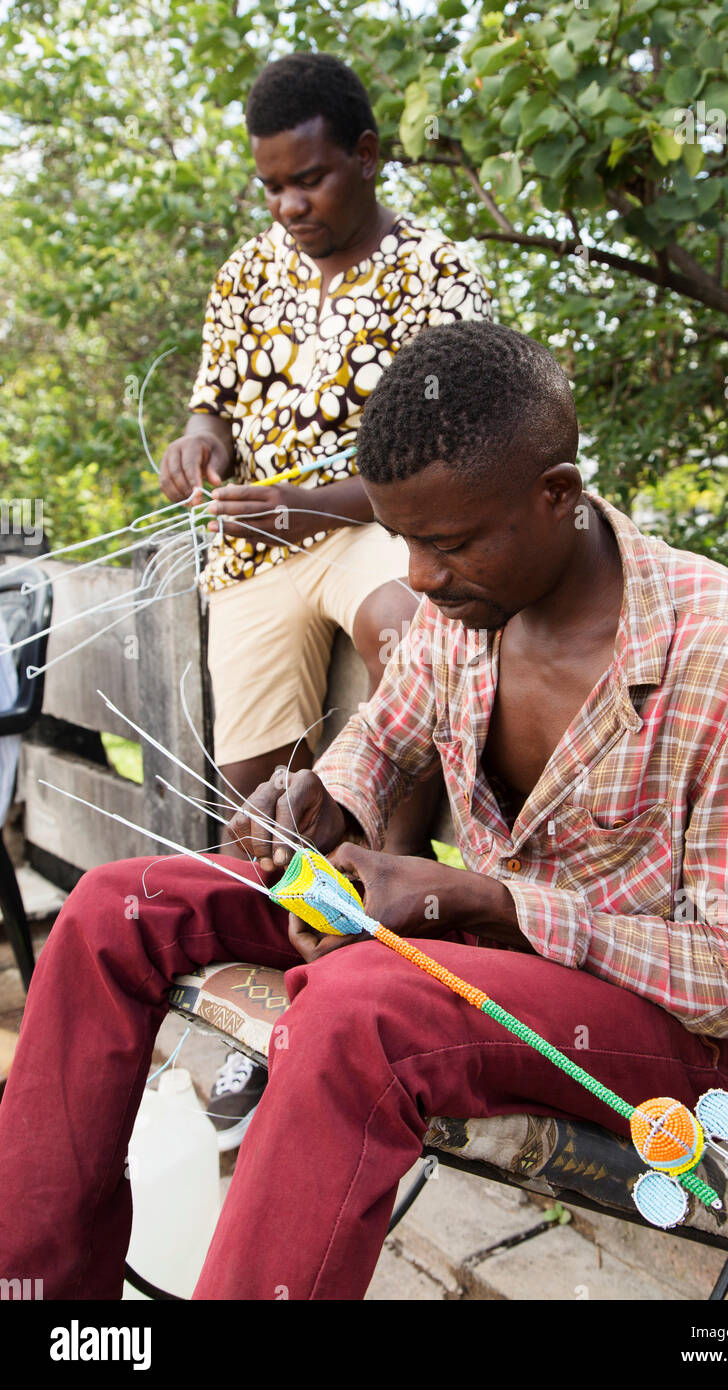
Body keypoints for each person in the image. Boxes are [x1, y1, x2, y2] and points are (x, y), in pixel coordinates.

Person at [0, 322, 728, 1301]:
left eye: (446, 544)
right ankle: (37, 1293)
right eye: (403, 543)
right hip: (457, 971)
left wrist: (481, 901)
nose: (419, 580)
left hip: (644, 1040)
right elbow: (380, 741)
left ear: (554, 495)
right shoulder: (462, 609)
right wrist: (321, 795)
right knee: (113, 907)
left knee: (357, 1011)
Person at [159, 52, 491, 1145]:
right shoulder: (247, 273)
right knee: (257, 799)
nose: (290, 205)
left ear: (366, 154)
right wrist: (200, 441)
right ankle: (278, 1017)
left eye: (310, 179)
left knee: (406, 632)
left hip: (373, 526)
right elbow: (214, 403)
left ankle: (380, 926)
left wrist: (306, 505)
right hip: (257, 553)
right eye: (271, 187)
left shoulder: (438, 274)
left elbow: (452, 457)